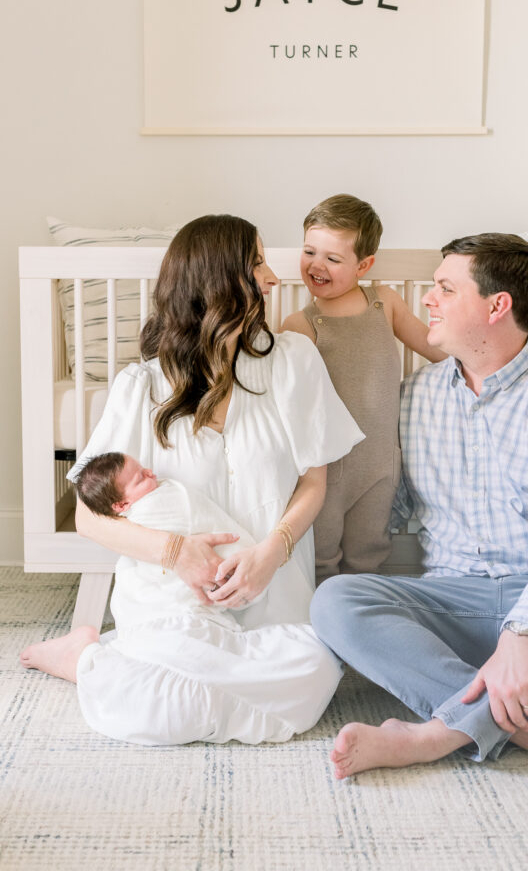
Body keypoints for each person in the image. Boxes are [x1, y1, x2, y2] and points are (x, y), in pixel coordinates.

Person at [310, 232, 528, 793]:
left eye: (445, 288)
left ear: (496, 305)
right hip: (451, 606)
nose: (428, 299)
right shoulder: (414, 398)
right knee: (336, 600)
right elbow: (385, 500)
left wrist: (525, 632)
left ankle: (435, 734)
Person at [21, 214, 364, 746]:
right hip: (175, 613)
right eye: (256, 264)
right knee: (154, 708)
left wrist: (272, 552)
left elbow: (313, 483)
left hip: (272, 603)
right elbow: (89, 515)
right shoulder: (141, 386)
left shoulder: (295, 361)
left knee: (318, 668)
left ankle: (93, 661)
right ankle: (90, 658)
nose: (273, 277)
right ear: (217, 282)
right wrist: (175, 551)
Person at [281, 194, 444, 580]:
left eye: (333, 259)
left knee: (369, 554)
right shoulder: (300, 325)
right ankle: (318, 623)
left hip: (379, 462)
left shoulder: (383, 303)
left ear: (364, 265)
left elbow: (431, 344)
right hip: (325, 466)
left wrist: (477, 360)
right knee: (321, 554)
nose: (316, 266)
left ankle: (366, 619)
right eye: (309, 251)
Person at [72, 451, 268, 630]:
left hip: (237, 571)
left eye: (143, 468)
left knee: (133, 582)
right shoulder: (145, 511)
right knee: (129, 572)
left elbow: (188, 513)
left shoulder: (162, 500)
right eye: (141, 477)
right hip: (231, 574)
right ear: (122, 504)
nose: (150, 472)